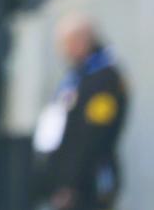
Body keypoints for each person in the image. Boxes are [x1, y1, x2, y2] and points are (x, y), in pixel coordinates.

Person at [33, 15, 128, 210]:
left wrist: (71, 182)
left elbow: (94, 135)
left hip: (88, 182)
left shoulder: (104, 79)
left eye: (67, 43)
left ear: (83, 41)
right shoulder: (76, 77)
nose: (63, 50)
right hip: (66, 181)